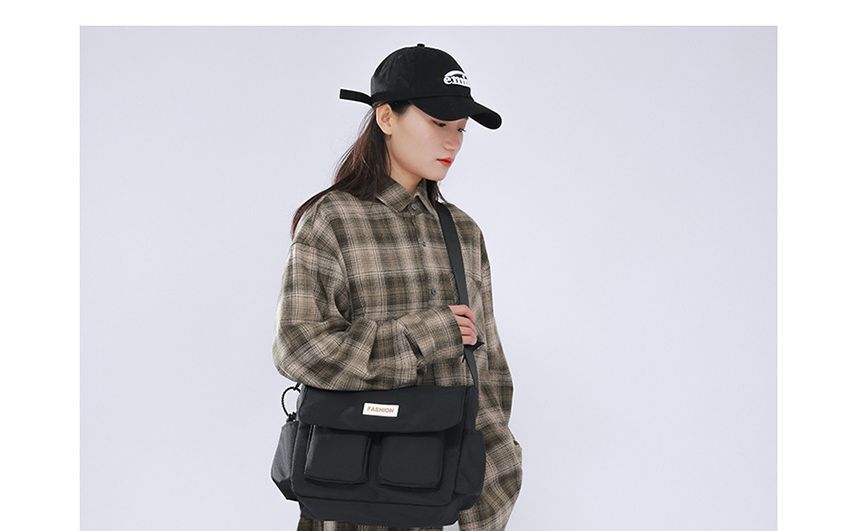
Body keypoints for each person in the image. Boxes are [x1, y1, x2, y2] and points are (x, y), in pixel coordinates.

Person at [272, 43, 522, 531]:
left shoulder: (463, 232)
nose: (453, 143)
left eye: (460, 129)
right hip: (351, 501)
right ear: (386, 117)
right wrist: (428, 335)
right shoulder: (332, 221)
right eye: (438, 123)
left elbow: (490, 374)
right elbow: (298, 349)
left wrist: (499, 480)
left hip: (449, 506)